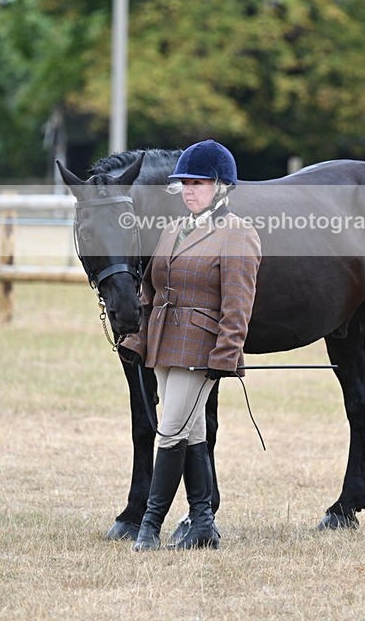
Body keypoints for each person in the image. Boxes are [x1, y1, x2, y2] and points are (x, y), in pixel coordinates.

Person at [119, 140, 261, 551]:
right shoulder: (172, 229)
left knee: (170, 431)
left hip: (200, 350)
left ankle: (149, 526)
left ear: (221, 186)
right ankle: (202, 523)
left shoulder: (238, 235)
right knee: (193, 432)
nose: (188, 190)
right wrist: (137, 337)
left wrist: (226, 354)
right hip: (164, 345)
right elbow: (149, 289)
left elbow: (239, 305)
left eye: (197, 183)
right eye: (184, 183)